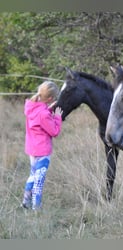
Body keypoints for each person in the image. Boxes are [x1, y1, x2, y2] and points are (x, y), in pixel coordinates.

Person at [21, 81, 63, 210]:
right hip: (43, 151)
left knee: (33, 175)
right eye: (54, 98)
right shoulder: (44, 114)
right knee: (39, 180)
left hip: (32, 149)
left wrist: (48, 108)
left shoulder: (31, 107)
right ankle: (36, 207)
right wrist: (57, 117)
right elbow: (54, 131)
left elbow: (39, 117)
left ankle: (25, 201)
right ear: (50, 98)